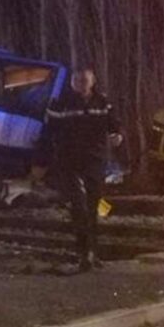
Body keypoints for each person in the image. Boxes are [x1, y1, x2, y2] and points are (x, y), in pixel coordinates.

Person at [38, 67, 123, 272]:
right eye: (77, 80)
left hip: (95, 160)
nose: (81, 84)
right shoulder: (61, 103)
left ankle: (92, 252)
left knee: (94, 207)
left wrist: (117, 136)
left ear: (92, 81)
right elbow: (48, 133)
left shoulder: (103, 103)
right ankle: (84, 252)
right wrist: (40, 162)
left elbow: (114, 126)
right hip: (69, 161)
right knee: (79, 205)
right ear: (71, 83)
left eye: (84, 80)